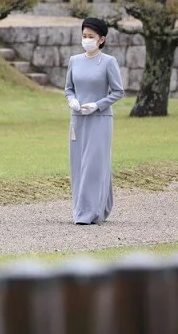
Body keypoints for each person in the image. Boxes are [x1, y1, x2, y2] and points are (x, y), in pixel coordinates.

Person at [64, 17, 124, 225]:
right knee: (79, 165)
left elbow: (118, 91)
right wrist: (72, 100)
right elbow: (69, 88)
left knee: (94, 164)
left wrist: (98, 104)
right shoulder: (75, 61)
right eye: (84, 36)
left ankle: (86, 214)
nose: (86, 40)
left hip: (99, 119)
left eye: (91, 37)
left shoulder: (108, 62)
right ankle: (101, 207)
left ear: (101, 39)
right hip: (78, 120)